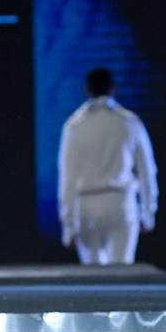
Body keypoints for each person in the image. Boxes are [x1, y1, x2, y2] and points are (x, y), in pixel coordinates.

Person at [58, 67, 158, 264]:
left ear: (87, 89)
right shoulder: (129, 122)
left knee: (93, 277)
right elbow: (147, 171)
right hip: (121, 206)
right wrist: (148, 213)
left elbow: (67, 177)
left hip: (87, 208)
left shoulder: (74, 126)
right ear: (113, 88)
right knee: (122, 272)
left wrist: (68, 224)